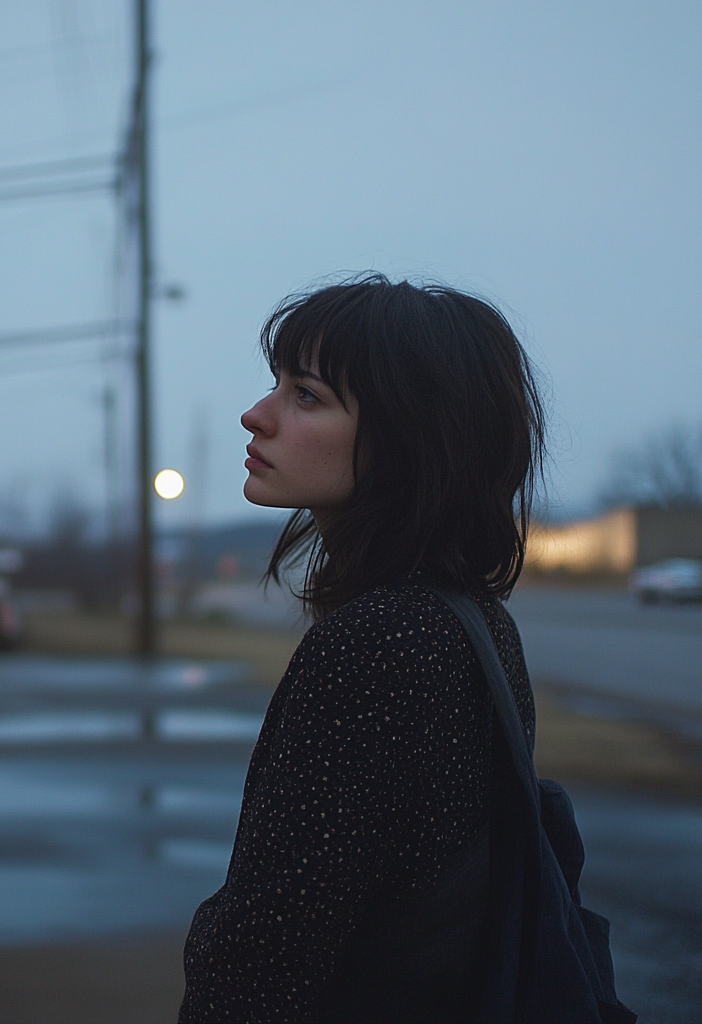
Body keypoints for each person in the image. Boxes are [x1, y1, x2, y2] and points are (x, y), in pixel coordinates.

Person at [178, 274, 546, 1022]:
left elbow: (268, 953)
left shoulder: (383, 643)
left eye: (305, 396)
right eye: (276, 384)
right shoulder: (467, 618)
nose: (257, 414)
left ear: (411, 436)